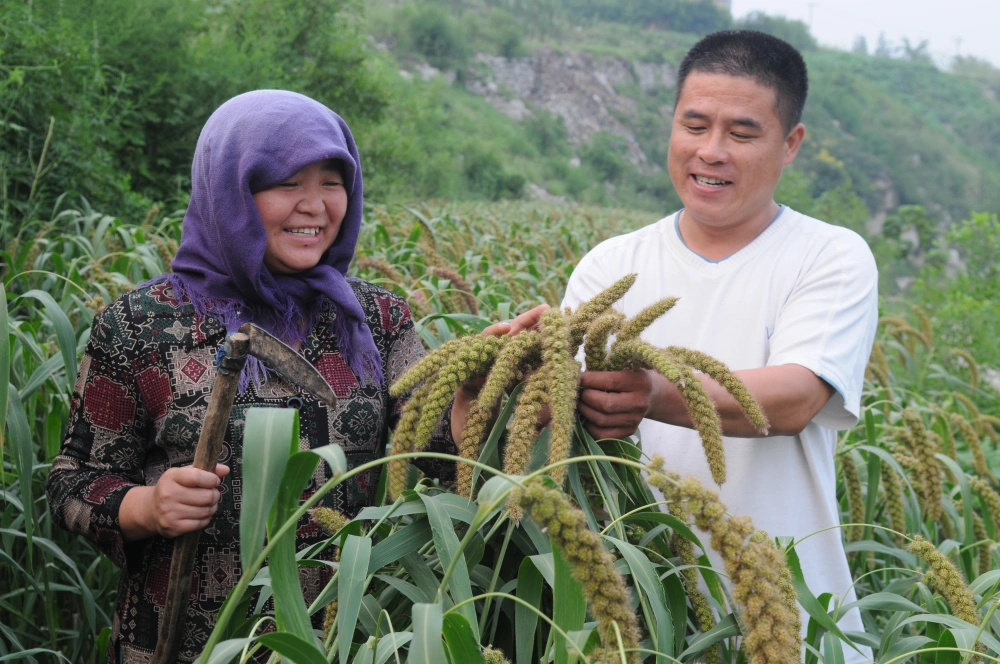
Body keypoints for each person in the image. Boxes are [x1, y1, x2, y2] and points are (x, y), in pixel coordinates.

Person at [46, 90, 544, 662]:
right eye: (287, 183)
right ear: (229, 190)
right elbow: (71, 485)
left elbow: (433, 458)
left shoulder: (376, 321)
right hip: (181, 644)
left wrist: (471, 396)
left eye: (332, 182)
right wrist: (147, 507)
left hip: (342, 638)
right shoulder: (141, 325)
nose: (315, 206)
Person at [561, 31, 878, 659]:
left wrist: (651, 390)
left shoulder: (829, 255)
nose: (711, 152)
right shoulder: (612, 266)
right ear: (671, 125)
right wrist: (497, 377)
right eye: (695, 124)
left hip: (792, 625)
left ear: (790, 144)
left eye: (741, 132)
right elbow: (561, 417)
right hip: (643, 617)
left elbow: (795, 398)